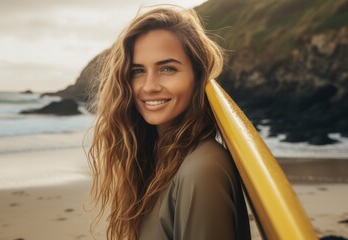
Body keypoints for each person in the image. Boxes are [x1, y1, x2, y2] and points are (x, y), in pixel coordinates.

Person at [88, 6, 251, 240]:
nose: (149, 86)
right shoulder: (160, 160)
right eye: (137, 71)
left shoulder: (202, 169)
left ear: (198, 75)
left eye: (167, 68)